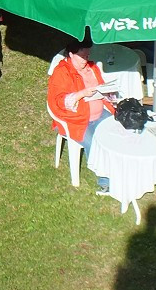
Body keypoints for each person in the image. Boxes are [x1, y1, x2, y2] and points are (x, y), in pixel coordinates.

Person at [46, 39, 115, 193]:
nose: (86, 59)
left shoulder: (92, 67)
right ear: (71, 54)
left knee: (116, 133)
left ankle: (118, 168)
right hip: (76, 120)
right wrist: (82, 93)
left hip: (99, 113)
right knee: (95, 142)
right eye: (82, 56)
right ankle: (105, 180)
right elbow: (59, 101)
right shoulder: (62, 72)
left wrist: (109, 92)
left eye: (88, 55)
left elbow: (102, 88)